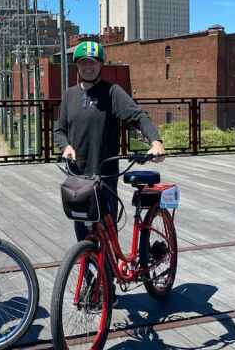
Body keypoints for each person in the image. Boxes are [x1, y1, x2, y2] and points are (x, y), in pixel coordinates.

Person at [53, 40, 166, 241]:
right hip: (78, 177)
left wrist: (155, 141)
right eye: (83, 63)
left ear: (100, 65)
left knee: (106, 231)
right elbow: (59, 131)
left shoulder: (112, 92)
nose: (88, 67)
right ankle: (87, 271)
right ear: (77, 65)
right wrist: (66, 146)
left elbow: (138, 116)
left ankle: (108, 271)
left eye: (93, 63)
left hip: (104, 175)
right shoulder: (69, 95)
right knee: (82, 233)